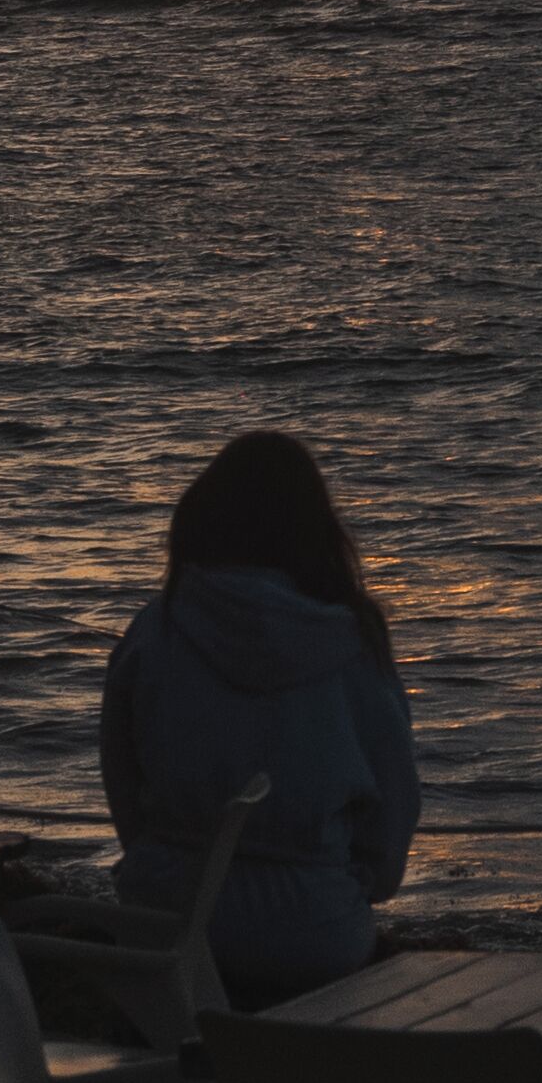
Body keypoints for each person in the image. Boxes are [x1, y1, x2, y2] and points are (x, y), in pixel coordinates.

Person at [100, 428, 421, 1002]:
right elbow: (393, 804)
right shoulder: (352, 640)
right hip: (314, 930)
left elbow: (124, 785)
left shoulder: (155, 630)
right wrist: (356, 885)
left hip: (166, 929)